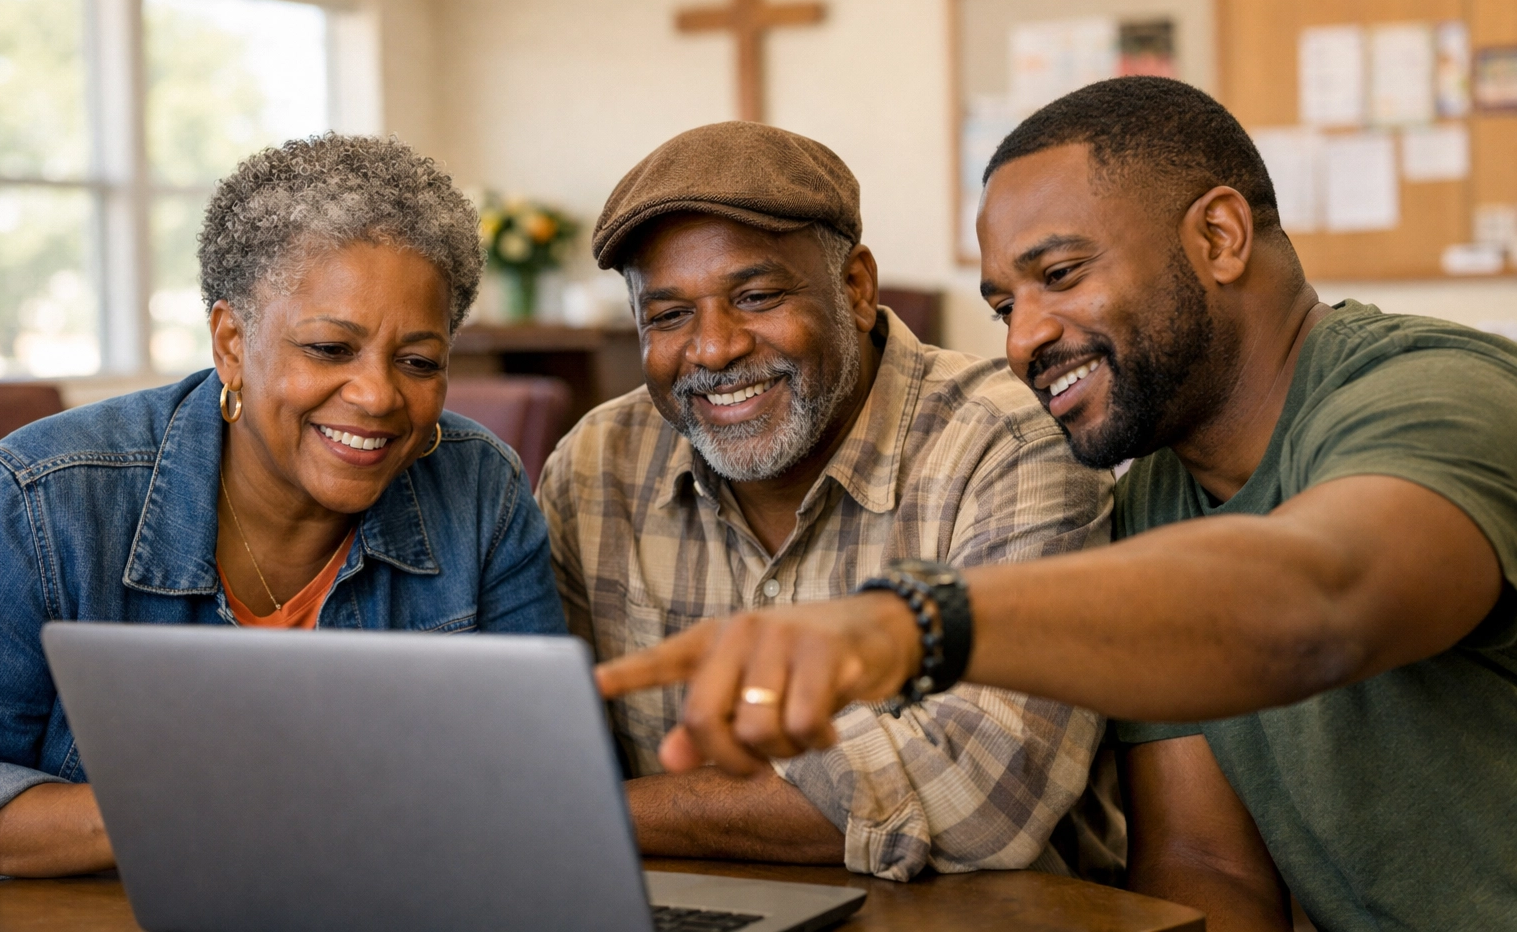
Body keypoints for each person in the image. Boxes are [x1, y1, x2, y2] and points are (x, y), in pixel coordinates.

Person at [595, 79, 1517, 930]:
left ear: (1221, 237)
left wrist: (903, 624)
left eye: (1063, 274)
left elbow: (1321, 601)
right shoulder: (1161, 487)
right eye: (1004, 305)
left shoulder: (1438, 392)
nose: (1025, 337)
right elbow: (1208, 868)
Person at [537, 121, 1120, 882]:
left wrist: (586, 810)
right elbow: (543, 744)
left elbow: (981, 791)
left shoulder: (1009, 443)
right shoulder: (597, 466)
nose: (714, 348)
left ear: (856, 288)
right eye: (669, 315)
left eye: (756, 295)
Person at [0, 134, 566, 881]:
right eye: (329, 348)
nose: (378, 396)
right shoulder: (41, 500)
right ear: (230, 342)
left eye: (419, 362)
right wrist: (216, 805)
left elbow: (545, 778)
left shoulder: (481, 487)